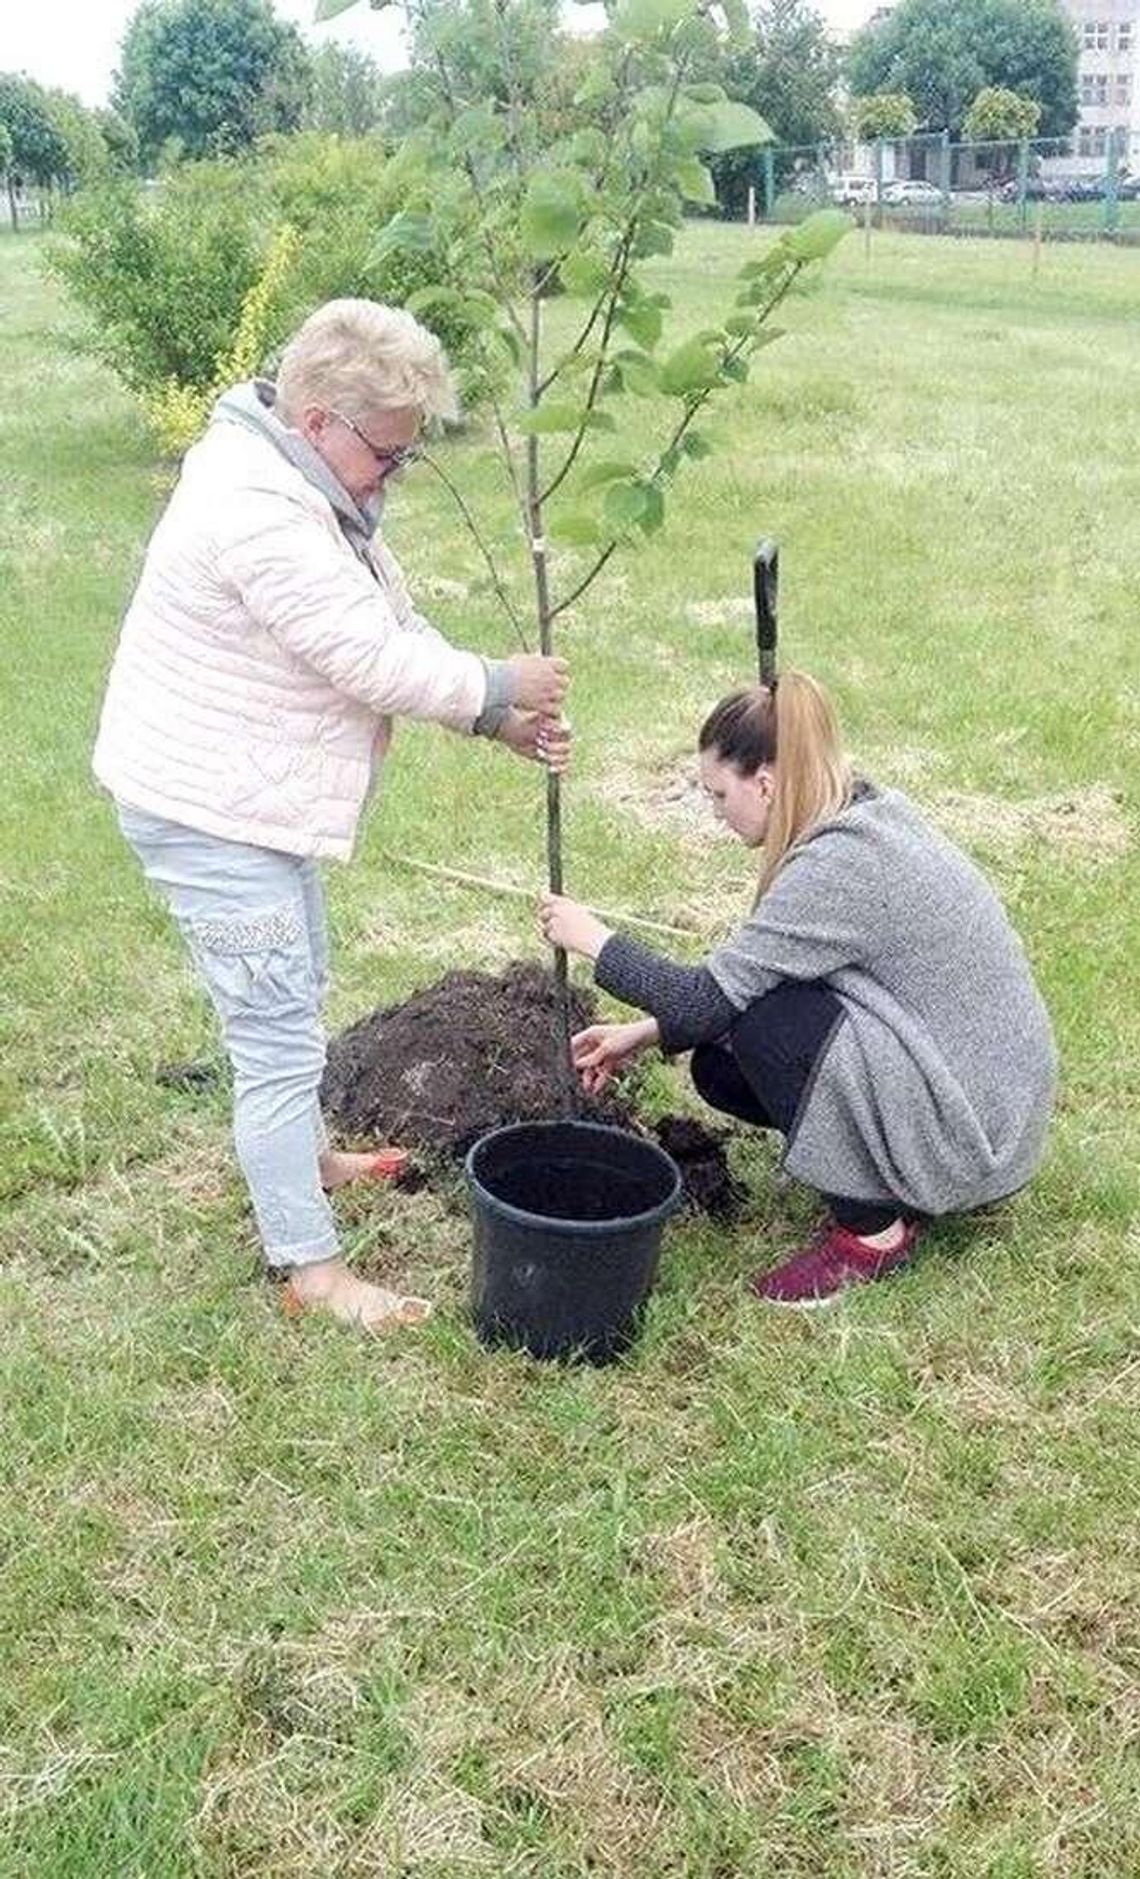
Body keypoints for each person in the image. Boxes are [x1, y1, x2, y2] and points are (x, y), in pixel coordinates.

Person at [95, 297, 570, 1333]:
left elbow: (379, 617)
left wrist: (492, 722)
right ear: (318, 421)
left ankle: (306, 1159)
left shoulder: (298, 480)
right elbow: (368, 656)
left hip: (245, 799)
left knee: (298, 977)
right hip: (205, 808)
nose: (394, 475)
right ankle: (309, 1270)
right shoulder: (254, 505)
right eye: (387, 455)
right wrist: (497, 683)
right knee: (273, 1033)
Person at [540, 670, 1056, 1307]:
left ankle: (873, 1235)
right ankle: (889, 1177)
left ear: (765, 782)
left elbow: (708, 1001)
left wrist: (594, 939)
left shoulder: (839, 864)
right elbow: (742, 981)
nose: (715, 813)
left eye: (718, 794)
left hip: (975, 1141)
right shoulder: (858, 814)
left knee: (767, 1028)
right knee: (722, 1066)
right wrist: (643, 1034)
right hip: (980, 1105)